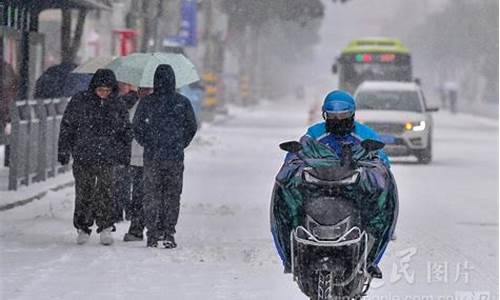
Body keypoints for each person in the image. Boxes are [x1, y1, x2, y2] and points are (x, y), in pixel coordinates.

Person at [275, 90, 396, 276]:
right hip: (317, 189)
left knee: (380, 206)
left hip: (355, 191)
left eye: (344, 116)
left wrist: (376, 173)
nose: (338, 120)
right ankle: (291, 255)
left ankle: (371, 257)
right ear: (325, 115)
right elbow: (295, 156)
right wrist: (293, 167)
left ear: (353, 114)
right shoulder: (315, 134)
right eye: (332, 116)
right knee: (286, 202)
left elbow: (381, 163)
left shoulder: (365, 134)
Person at [58, 69, 132, 246]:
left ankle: (106, 227)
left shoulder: (118, 105)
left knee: (107, 192)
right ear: (93, 88)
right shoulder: (80, 101)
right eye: (100, 90)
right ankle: (83, 227)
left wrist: (124, 156)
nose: (103, 94)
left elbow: (125, 133)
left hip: (108, 157)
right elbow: (67, 126)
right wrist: (63, 150)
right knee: (84, 192)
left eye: (107, 90)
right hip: (83, 155)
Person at [133, 64, 197, 248]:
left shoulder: (147, 102)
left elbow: (137, 126)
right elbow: (191, 127)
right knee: (171, 195)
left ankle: (152, 233)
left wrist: (148, 142)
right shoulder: (182, 102)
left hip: (152, 156)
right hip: (174, 157)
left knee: (151, 195)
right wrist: (180, 142)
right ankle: (168, 231)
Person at [123, 87, 153, 242]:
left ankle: (151, 229)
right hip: (136, 158)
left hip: (152, 157)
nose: (145, 92)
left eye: (148, 89)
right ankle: (137, 228)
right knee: (138, 195)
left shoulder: (153, 105)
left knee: (149, 195)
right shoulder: (132, 105)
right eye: (142, 89)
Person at [112, 82, 139, 222]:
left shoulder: (114, 102)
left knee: (121, 178)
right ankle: (128, 209)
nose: (122, 85)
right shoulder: (139, 100)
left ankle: (120, 209)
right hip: (131, 144)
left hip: (122, 144)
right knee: (127, 178)